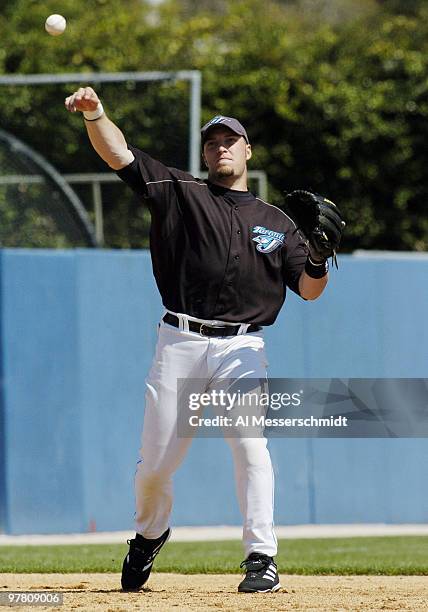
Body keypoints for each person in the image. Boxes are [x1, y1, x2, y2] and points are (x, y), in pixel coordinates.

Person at [65, 87, 333, 594]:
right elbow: (117, 153)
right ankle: (149, 533)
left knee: (250, 445)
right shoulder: (179, 190)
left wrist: (317, 259)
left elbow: (311, 291)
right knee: (155, 468)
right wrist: (95, 113)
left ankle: (261, 557)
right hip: (180, 343)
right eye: (213, 142)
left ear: (247, 150)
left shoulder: (277, 222)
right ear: (205, 153)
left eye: (231, 139)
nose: (222, 148)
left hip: (243, 348)